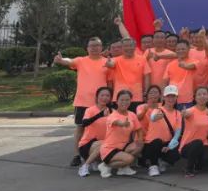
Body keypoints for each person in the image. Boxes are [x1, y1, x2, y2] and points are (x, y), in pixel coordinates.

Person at [53, 37, 109, 167]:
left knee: (103, 127)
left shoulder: (107, 62)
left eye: (97, 45)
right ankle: (76, 155)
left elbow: (110, 82)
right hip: (82, 102)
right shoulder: (81, 60)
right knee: (80, 128)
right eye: (91, 46)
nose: (94, 48)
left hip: (101, 103)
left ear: (101, 47)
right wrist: (61, 60)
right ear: (87, 48)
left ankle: (99, 154)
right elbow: (69, 61)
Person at [98, 90, 144, 178]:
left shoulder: (132, 115)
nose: (125, 102)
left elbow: (139, 129)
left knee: (139, 146)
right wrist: (123, 124)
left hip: (123, 146)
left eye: (127, 100)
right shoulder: (112, 115)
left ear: (130, 101)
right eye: (122, 100)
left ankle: (123, 168)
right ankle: (105, 166)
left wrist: (140, 140)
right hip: (109, 148)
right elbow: (116, 122)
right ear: (117, 101)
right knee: (130, 159)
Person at [142, 86, 183, 177]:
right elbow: (153, 117)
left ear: (176, 98)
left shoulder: (178, 113)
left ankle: (162, 162)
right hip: (151, 144)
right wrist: (154, 117)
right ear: (164, 97)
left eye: (173, 96)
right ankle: (153, 166)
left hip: (166, 144)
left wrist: (169, 146)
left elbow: (177, 133)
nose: (171, 99)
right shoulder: (157, 110)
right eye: (168, 96)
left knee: (178, 151)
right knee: (157, 141)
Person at [180, 86, 208, 177]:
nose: (202, 96)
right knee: (197, 142)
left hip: (204, 145)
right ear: (195, 97)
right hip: (188, 146)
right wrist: (184, 114)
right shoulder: (191, 111)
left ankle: (197, 164)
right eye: (199, 94)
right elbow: (186, 114)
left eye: (204, 94)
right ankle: (189, 169)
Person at [76, 87, 113, 177]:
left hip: (101, 144)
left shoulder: (112, 111)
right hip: (87, 145)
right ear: (97, 97)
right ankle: (85, 166)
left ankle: (95, 161)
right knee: (105, 144)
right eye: (102, 95)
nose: (104, 98)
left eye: (107, 95)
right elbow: (84, 123)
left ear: (110, 98)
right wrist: (100, 115)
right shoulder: (90, 110)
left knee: (111, 144)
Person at [106, 37, 150, 111]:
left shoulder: (142, 59)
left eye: (130, 45)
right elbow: (111, 64)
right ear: (122, 48)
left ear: (134, 47)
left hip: (137, 97)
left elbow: (147, 76)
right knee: (119, 116)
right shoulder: (116, 59)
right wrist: (109, 63)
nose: (128, 48)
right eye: (126, 46)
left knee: (135, 117)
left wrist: (146, 92)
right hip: (119, 97)